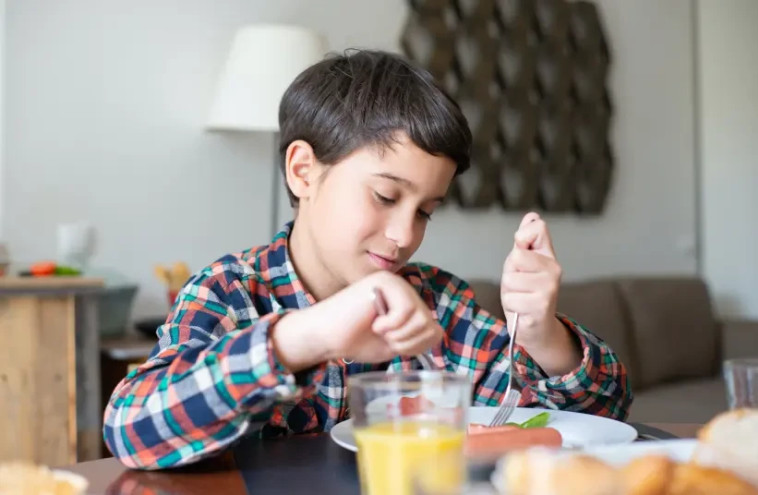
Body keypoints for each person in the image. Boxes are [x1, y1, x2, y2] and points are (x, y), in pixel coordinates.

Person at [103, 49, 632, 469]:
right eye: (384, 197)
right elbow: (131, 431)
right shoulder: (229, 293)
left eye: (426, 211)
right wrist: (306, 336)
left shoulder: (437, 305)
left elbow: (601, 420)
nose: (404, 236)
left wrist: (540, 333)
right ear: (303, 171)